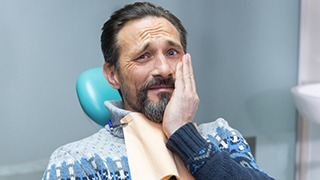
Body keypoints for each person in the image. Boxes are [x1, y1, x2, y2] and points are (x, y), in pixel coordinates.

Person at [43, 2, 274, 180]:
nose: (163, 68)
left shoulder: (220, 137)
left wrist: (185, 136)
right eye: (144, 56)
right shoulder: (80, 161)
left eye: (172, 53)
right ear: (113, 75)